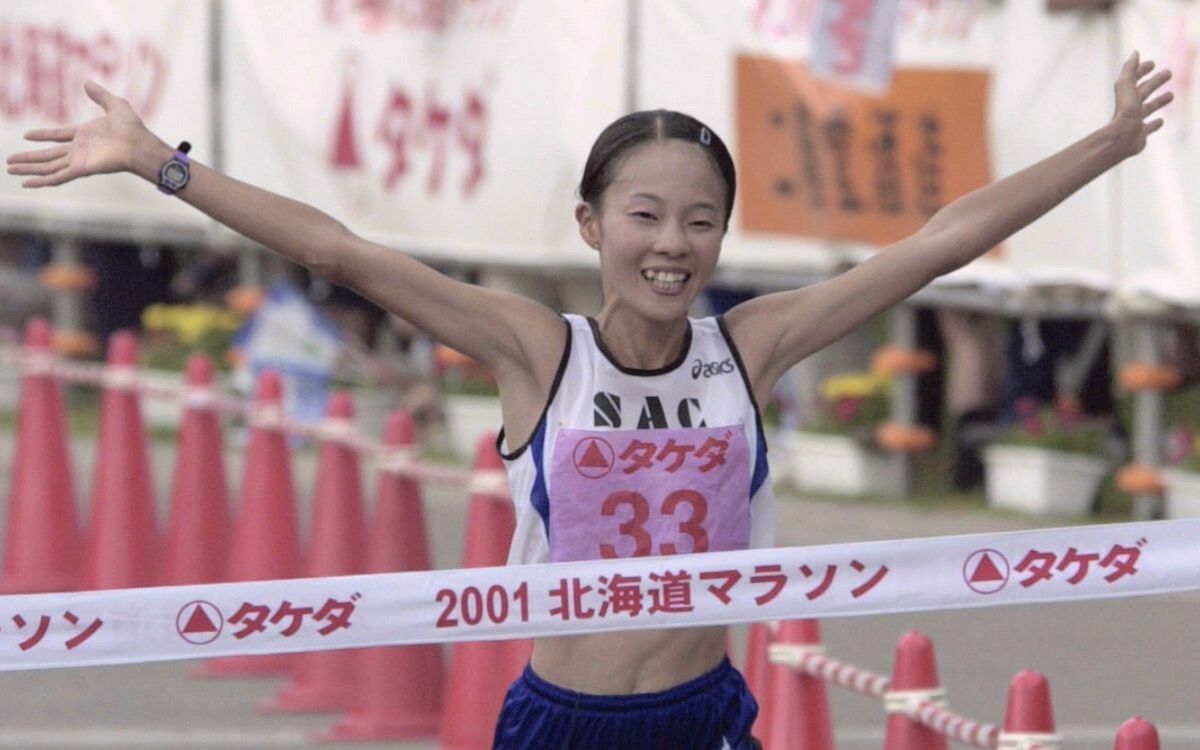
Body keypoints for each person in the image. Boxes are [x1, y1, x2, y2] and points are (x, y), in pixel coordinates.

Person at [7, 52, 1172, 749]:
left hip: (704, 713)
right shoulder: (534, 350)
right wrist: (164, 164)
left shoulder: (751, 349)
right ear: (589, 226)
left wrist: (1110, 141)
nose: (674, 244)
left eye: (701, 218)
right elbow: (344, 253)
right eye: (645, 215)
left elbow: (939, 242)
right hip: (560, 722)